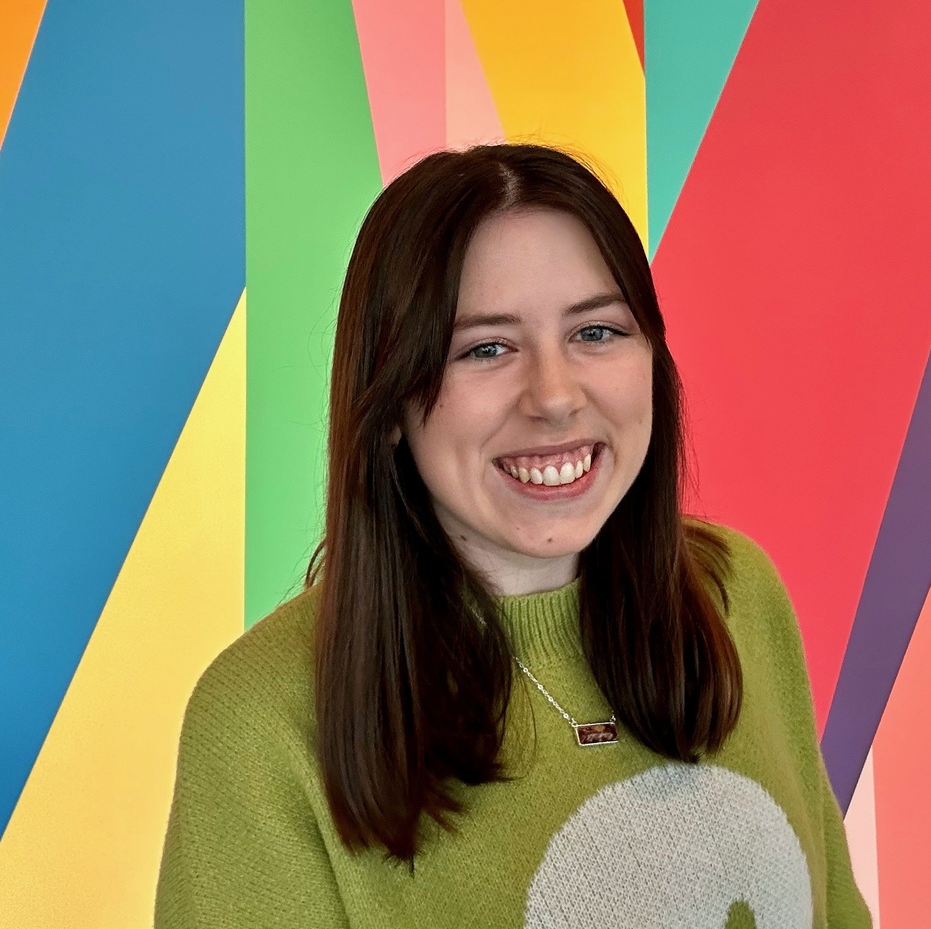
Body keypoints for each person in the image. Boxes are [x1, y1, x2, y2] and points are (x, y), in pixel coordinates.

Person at [156, 144, 871, 928]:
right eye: (486, 349)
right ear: (392, 400)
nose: (556, 396)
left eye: (596, 331)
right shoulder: (262, 723)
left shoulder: (738, 598)